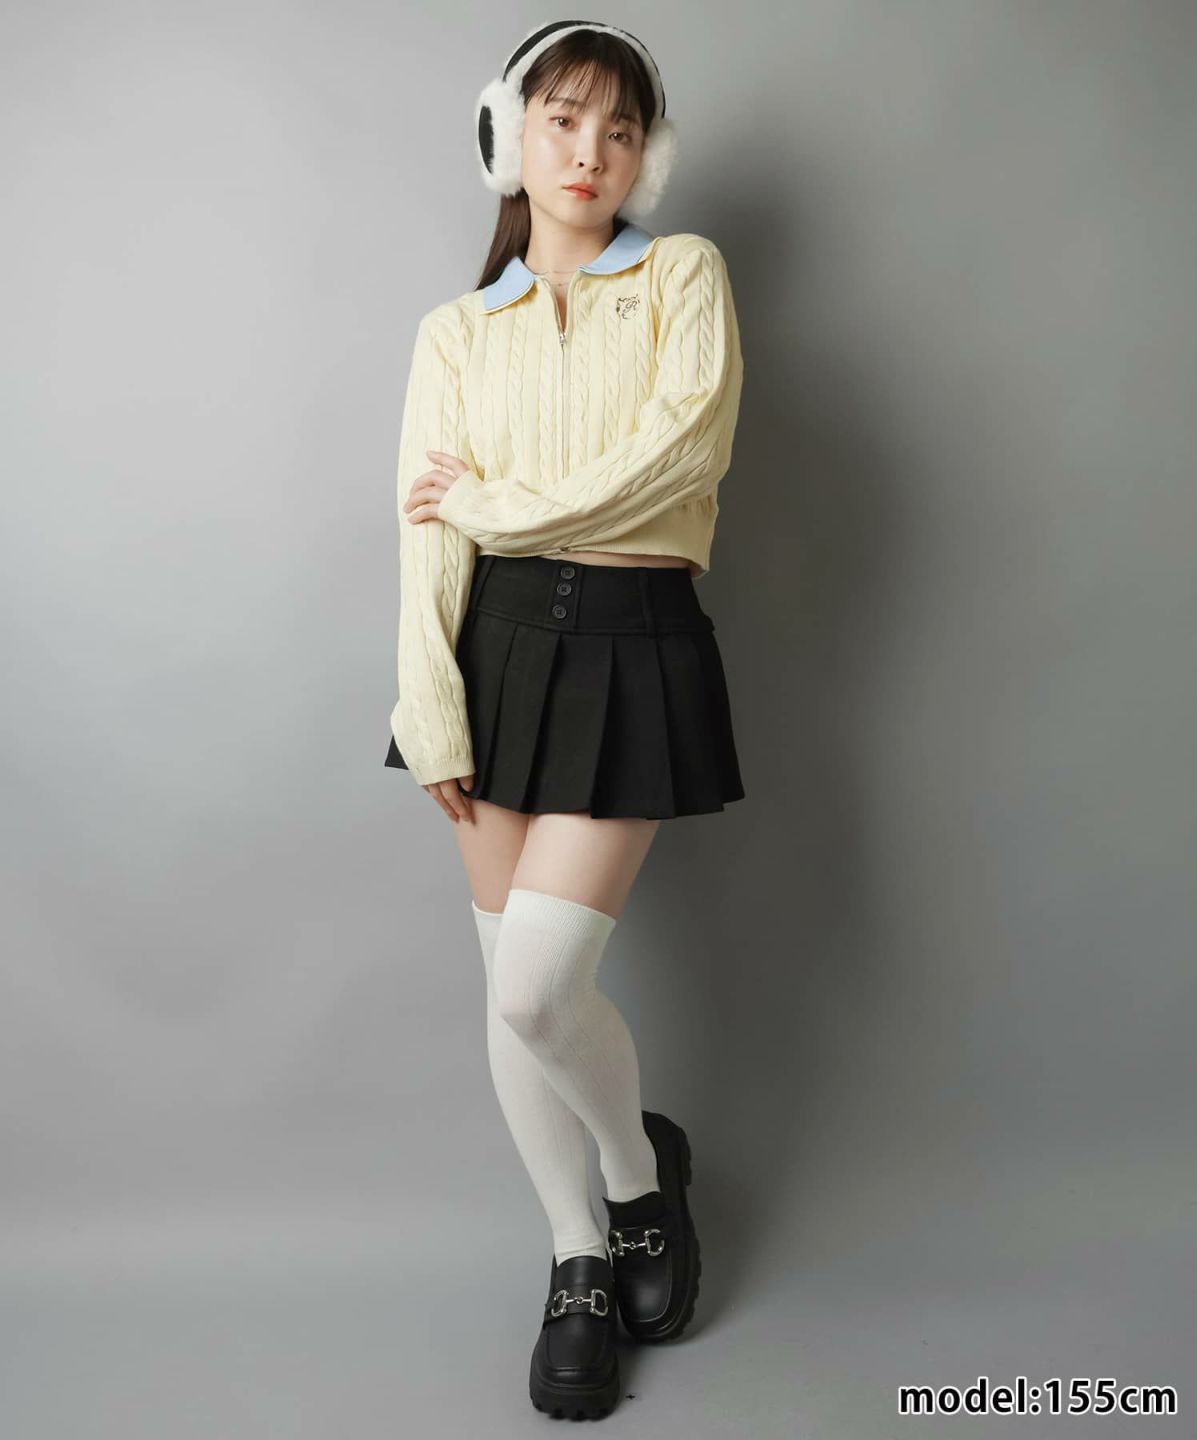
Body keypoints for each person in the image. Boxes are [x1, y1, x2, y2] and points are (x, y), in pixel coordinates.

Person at [384, 21, 745, 1420]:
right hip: (494, 652)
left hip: (635, 639)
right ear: (508, 138)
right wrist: (430, 707)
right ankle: (577, 1250)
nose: (591, 151)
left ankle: (641, 1174)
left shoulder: (683, 276)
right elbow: (427, 537)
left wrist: (497, 502)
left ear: (650, 153)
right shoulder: (454, 333)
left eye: (620, 127)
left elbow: (678, 458)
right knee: (508, 992)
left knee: (542, 988)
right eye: (562, 119)